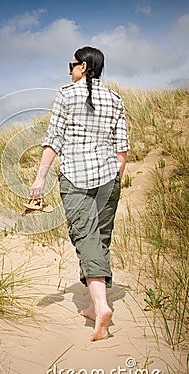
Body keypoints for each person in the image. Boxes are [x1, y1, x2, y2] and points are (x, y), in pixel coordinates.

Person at [30, 46, 130, 341]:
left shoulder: (65, 94)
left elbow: (53, 141)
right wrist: (114, 181)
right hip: (109, 179)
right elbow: (121, 151)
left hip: (76, 177)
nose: (70, 70)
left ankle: (101, 307)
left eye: (71, 65)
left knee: (84, 237)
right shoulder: (115, 99)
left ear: (84, 67)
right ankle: (91, 304)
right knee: (100, 238)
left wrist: (40, 178)